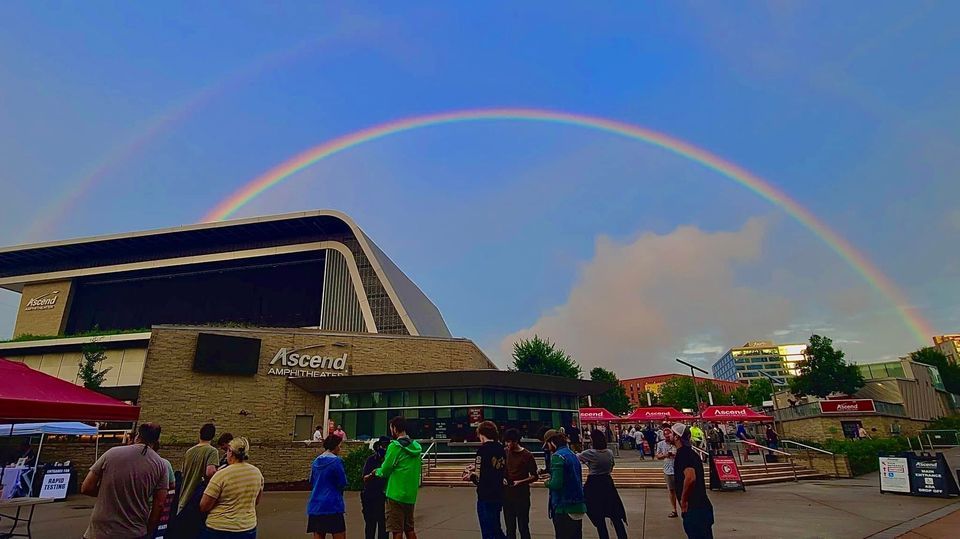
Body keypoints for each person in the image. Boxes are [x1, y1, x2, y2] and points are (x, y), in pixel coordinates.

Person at [81, 422, 169, 539]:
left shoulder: (111, 453)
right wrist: (150, 528)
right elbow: (160, 503)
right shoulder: (161, 465)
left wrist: (107, 492)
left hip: (100, 530)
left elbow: (86, 487)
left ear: (138, 436)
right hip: (134, 531)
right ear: (157, 440)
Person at [367, 416, 422, 539]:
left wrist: (376, 472)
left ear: (395, 429)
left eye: (391, 428)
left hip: (395, 493)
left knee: (396, 530)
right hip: (410, 494)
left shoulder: (395, 446)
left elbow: (386, 469)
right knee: (409, 529)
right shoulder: (416, 447)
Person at [199, 437, 264, 539]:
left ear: (230, 451)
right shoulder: (256, 473)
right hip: (247, 527)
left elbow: (204, 506)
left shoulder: (221, 475)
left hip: (219, 529)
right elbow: (256, 501)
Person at [577, 430, 627, 539]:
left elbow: (576, 458)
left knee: (598, 516)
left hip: (594, 484)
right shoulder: (609, 452)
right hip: (607, 483)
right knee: (615, 515)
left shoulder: (590, 453)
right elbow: (612, 467)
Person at [670, 424, 714, 539]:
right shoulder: (691, 453)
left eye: (672, 433)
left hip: (694, 508)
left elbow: (690, 477)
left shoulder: (683, 454)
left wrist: (683, 501)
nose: (669, 435)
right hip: (703, 506)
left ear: (676, 437)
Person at [463, 420, 507, 539]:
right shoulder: (501, 449)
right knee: (496, 528)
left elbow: (479, 477)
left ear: (481, 434)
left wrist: (470, 476)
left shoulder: (482, 451)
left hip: (485, 495)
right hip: (498, 493)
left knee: (488, 531)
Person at [542, 429, 586, 539]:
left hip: (563, 507)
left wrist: (547, 482)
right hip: (578, 505)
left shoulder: (558, 456)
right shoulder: (572, 454)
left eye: (547, 444)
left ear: (552, 442)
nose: (548, 448)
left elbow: (556, 484)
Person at [307, 434, 348, 539]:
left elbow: (311, 480)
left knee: (319, 534)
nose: (340, 448)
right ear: (335, 446)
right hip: (332, 505)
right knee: (339, 533)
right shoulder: (336, 461)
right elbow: (342, 482)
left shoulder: (316, 462)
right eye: (339, 445)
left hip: (316, 505)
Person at [502, 428, 538, 539]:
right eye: (506, 442)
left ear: (516, 441)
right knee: (510, 527)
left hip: (522, 495)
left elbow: (534, 476)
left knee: (523, 526)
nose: (508, 444)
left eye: (510, 442)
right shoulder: (505, 452)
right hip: (507, 494)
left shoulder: (527, 455)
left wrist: (521, 482)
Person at [180, 423, 220, 514]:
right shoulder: (212, 451)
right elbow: (210, 472)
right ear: (213, 436)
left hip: (184, 495)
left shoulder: (189, 451)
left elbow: (183, 472)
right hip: (198, 497)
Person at [361, 437, 391, 539]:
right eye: (383, 445)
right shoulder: (371, 460)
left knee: (383, 527)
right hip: (370, 497)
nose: (385, 448)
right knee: (370, 525)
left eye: (387, 446)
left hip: (384, 497)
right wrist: (372, 474)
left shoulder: (389, 461)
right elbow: (364, 478)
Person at [655, 425, 679, 518]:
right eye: (665, 436)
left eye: (668, 435)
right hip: (668, 469)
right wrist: (666, 455)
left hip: (677, 468)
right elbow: (658, 456)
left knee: (680, 490)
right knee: (671, 490)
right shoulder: (661, 444)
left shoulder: (676, 443)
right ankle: (674, 509)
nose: (667, 437)